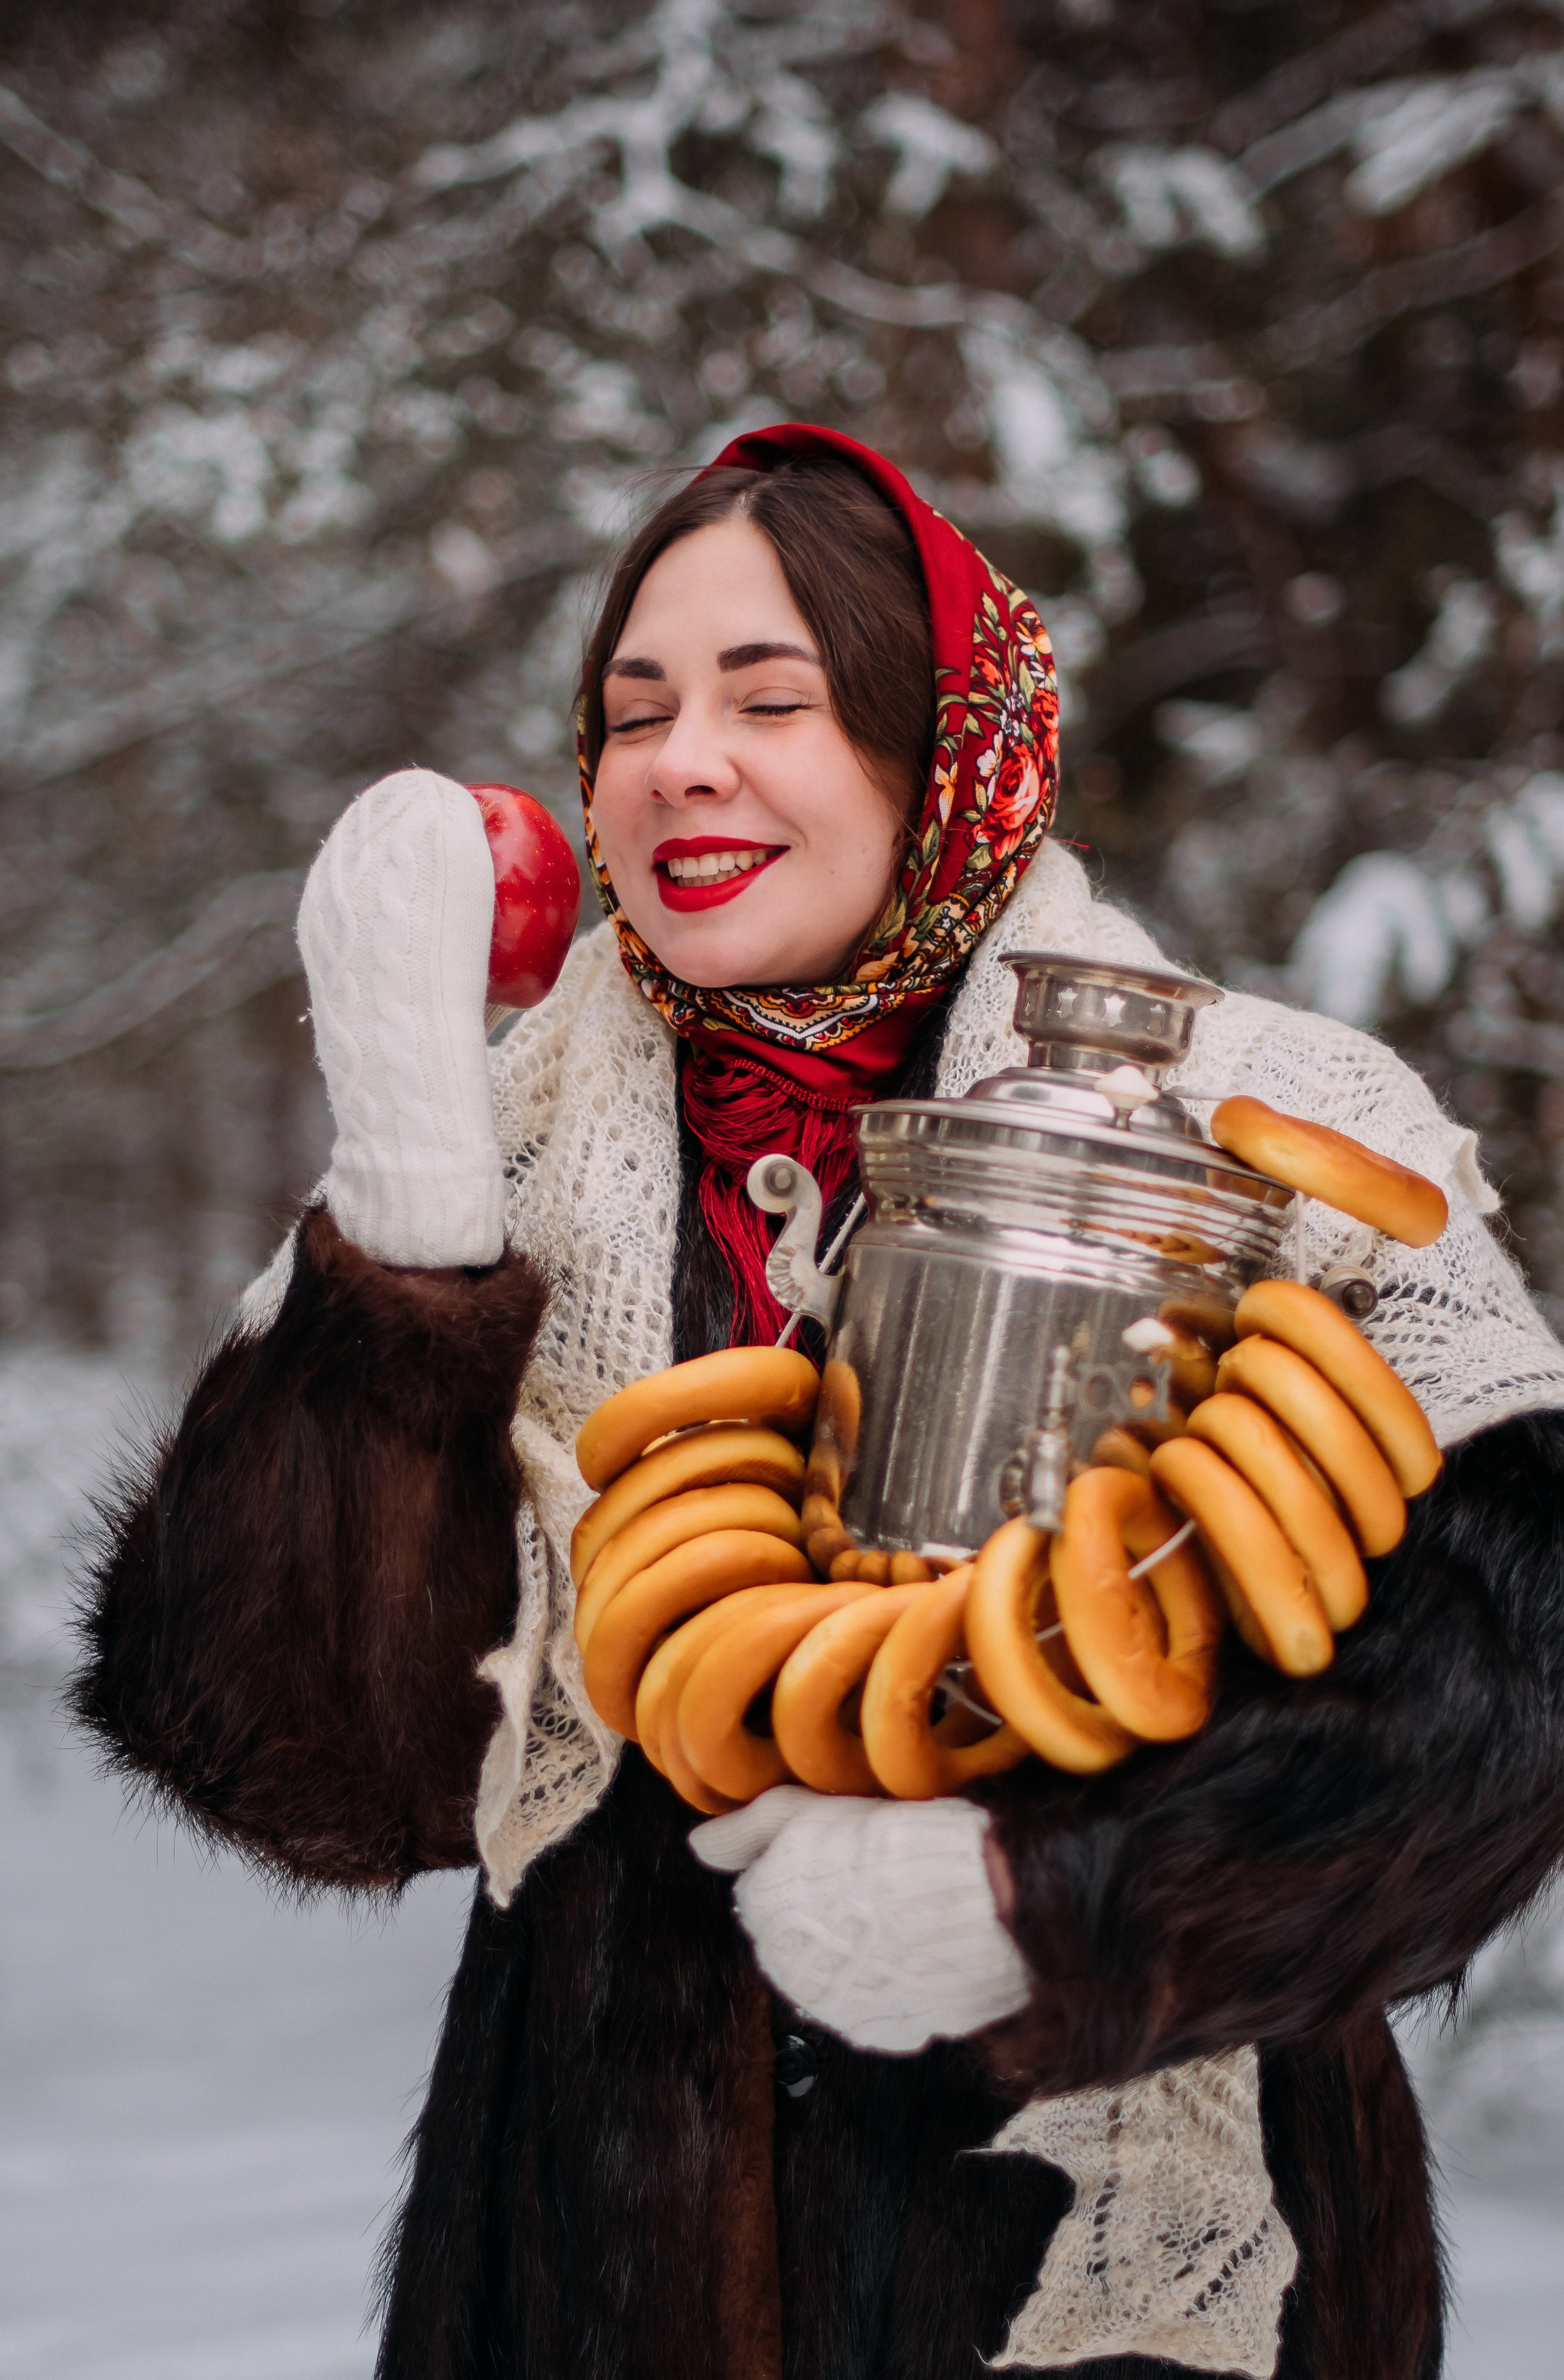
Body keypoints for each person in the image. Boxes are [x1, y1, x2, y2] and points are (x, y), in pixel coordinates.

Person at [75, 425, 1564, 2380]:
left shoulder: (1267, 1127)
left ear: (945, 751)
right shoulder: (514, 1149)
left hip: (1145, 2284)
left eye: (771, 699)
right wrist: (410, 1228)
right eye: (631, 711)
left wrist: (1064, 1903)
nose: (680, 757)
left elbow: (1514, 1662)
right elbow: (308, 1763)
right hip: (602, 2274)